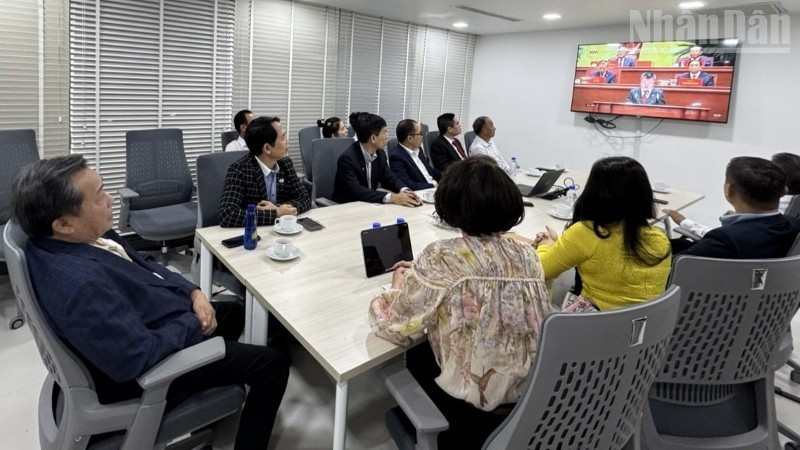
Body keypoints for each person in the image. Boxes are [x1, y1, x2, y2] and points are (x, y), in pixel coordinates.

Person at [10, 155, 288, 450]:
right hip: (149, 373)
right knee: (272, 365)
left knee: (233, 311)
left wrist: (193, 293)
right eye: (100, 196)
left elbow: (144, 262)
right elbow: (138, 357)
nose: (111, 200)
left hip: (152, 316)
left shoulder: (75, 237)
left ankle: (212, 400)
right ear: (64, 223)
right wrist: (193, 322)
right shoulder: (81, 286)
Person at [369, 156, 554, 448]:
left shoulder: (440, 256)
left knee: (417, 346)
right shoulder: (528, 255)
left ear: (449, 207)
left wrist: (395, 289)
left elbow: (395, 325)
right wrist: (427, 275)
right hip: (529, 403)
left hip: (470, 413)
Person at [533, 156, 671, 310]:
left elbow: (542, 270)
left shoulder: (586, 233)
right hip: (650, 322)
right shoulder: (660, 238)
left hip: (597, 322)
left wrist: (546, 246)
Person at [667, 156, 800, 259]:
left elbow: (675, 266)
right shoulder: (794, 226)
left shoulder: (724, 239)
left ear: (729, 190)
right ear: (784, 191)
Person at [219, 116, 311, 227]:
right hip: (253, 232)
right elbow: (227, 214)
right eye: (283, 138)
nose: (287, 142)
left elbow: (305, 197)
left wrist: (279, 208)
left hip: (282, 229)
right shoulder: (239, 170)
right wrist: (275, 213)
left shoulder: (286, 164)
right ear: (267, 148)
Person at [331, 111, 420, 206]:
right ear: (373, 138)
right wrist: (392, 197)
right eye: (384, 132)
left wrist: (405, 190)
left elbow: (390, 178)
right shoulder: (348, 159)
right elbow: (357, 191)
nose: (387, 136)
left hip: (369, 203)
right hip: (347, 206)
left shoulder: (380, 154)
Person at [388, 119, 441, 190]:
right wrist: (433, 185)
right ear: (410, 138)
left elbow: (429, 170)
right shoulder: (396, 157)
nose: (422, 136)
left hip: (435, 187)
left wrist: (446, 178)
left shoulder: (418, 149)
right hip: (424, 190)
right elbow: (408, 184)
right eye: (420, 133)